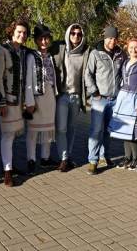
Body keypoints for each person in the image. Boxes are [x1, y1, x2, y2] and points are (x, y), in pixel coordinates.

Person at [0, 19, 30, 186]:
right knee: (7, 135)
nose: (22, 35)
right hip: (7, 100)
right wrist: (1, 102)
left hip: (19, 100)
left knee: (13, 134)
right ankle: (7, 172)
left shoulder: (23, 51)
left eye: (24, 33)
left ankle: (9, 165)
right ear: (12, 32)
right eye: (19, 32)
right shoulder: (1, 50)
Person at [85, 26, 127, 175]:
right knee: (96, 130)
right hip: (99, 99)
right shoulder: (95, 54)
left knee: (108, 132)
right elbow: (88, 74)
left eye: (115, 38)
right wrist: (94, 92)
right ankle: (93, 161)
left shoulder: (121, 54)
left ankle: (104, 156)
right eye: (110, 38)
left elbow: (124, 74)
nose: (112, 41)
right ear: (105, 38)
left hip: (114, 100)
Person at [50, 23, 90, 172]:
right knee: (61, 128)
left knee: (72, 129)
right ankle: (64, 158)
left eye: (79, 34)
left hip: (76, 97)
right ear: (68, 34)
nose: (76, 36)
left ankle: (68, 156)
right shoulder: (61, 49)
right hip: (62, 96)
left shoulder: (85, 52)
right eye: (73, 33)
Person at [109, 39, 137, 171]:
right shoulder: (125, 62)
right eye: (131, 47)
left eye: (136, 47)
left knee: (133, 131)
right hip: (124, 98)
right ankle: (127, 158)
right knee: (124, 131)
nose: (133, 50)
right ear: (127, 48)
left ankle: (136, 159)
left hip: (135, 98)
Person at [24, 23, 57, 176]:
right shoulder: (31, 56)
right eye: (41, 39)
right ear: (36, 40)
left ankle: (45, 157)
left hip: (50, 96)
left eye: (46, 38)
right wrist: (29, 101)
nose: (44, 42)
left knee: (47, 129)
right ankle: (31, 159)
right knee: (33, 131)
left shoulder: (50, 56)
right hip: (37, 97)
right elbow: (28, 81)